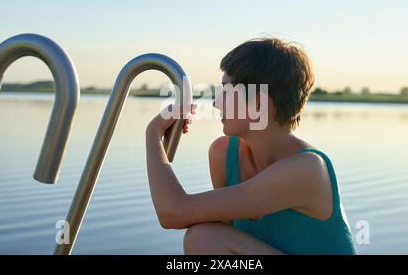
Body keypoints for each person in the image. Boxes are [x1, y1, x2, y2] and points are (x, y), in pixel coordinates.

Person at [145, 38, 357, 255]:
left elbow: (172, 213)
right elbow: (221, 234)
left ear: (258, 104)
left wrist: (153, 134)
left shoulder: (307, 169)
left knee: (203, 238)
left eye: (227, 92)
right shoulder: (223, 154)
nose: (217, 103)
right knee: (205, 236)